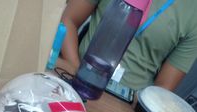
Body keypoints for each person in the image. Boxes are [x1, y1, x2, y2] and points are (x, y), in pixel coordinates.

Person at [61, 0, 197, 91]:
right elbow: (68, 19)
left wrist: (136, 108)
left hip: (129, 105)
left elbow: (164, 87)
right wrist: (74, 69)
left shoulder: (193, 12)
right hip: (76, 75)